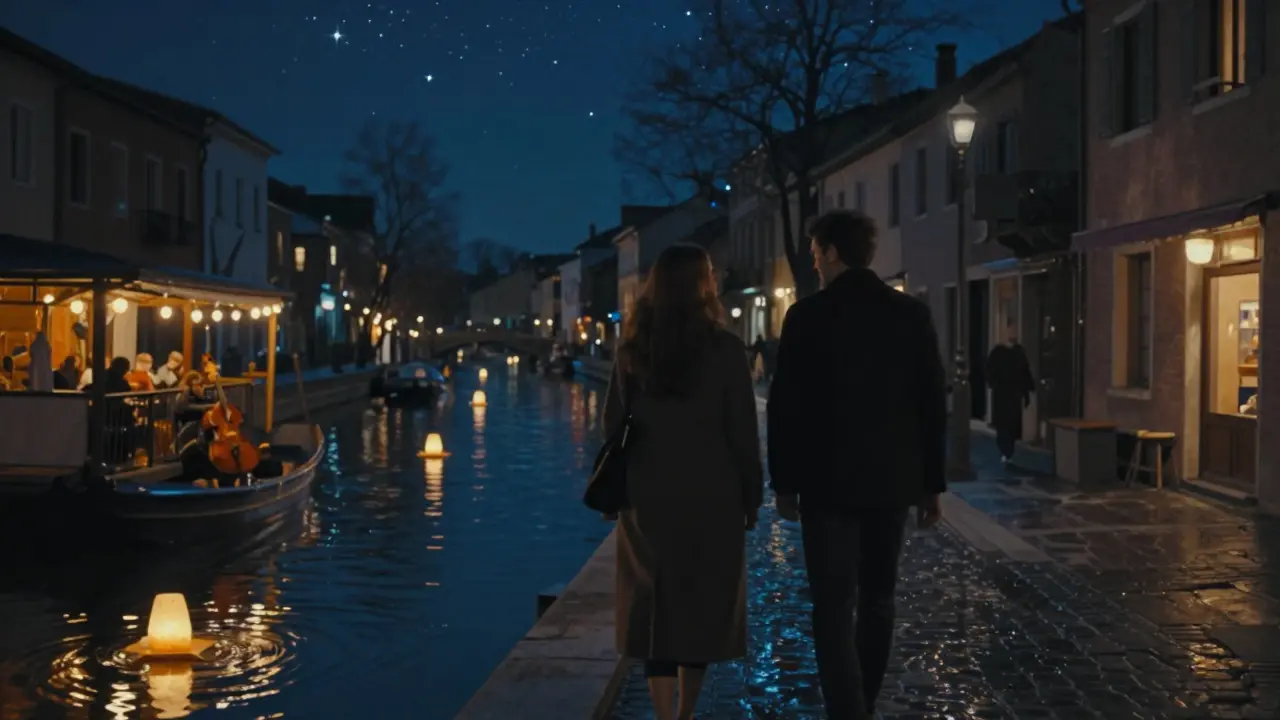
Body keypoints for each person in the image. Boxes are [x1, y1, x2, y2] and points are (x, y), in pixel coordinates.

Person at [767, 210, 947, 720]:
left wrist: (784, 482)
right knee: (878, 598)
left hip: (826, 485)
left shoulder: (806, 317)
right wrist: (931, 484)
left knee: (831, 607)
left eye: (815, 253)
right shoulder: (910, 316)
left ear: (830, 253)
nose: (813, 263)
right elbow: (930, 404)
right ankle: (860, 704)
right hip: (891, 482)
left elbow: (786, 410)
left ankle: (848, 711)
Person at [605, 243, 763, 720]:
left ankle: (661, 713)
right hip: (711, 495)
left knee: (655, 603)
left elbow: (613, 425)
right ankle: (687, 713)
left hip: (647, 494)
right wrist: (751, 495)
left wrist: (618, 489)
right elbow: (742, 432)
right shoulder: (725, 349)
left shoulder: (634, 350)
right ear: (703, 284)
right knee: (699, 601)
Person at [985, 326, 1034, 465]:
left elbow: (1025, 373)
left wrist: (1026, 393)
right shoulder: (998, 352)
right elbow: (990, 371)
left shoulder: (1019, 352)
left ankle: (1008, 451)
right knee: (1003, 425)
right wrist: (994, 384)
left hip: (1013, 394)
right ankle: (1004, 450)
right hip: (1002, 394)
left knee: (1011, 424)